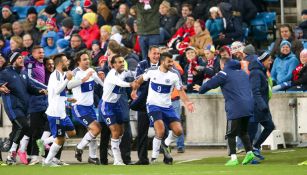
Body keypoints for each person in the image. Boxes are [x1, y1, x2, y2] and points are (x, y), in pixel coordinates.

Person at [193, 48, 255, 166]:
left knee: (230, 134)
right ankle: (249, 152)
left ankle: (233, 158)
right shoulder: (242, 73)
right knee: (243, 131)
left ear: (223, 64)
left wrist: (201, 89)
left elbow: (211, 83)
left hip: (235, 107)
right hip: (249, 106)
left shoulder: (224, 73)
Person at [131, 52, 195, 164]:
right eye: (169, 61)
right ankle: (154, 157)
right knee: (160, 130)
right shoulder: (152, 71)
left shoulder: (174, 74)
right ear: (162, 61)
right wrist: (134, 90)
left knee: (178, 130)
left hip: (167, 106)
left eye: (172, 61)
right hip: (153, 105)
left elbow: (180, 91)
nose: (171, 63)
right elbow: (141, 79)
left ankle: (166, 143)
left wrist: (188, 102)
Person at [0, 52, 47, 165]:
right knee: (24, 126)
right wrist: (1, 87)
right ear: (13, 60)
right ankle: (12, 153)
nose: (22, 59)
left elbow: (30, 87)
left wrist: (39, 91)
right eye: (19, 58)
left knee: (20, 129)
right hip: (13, 106)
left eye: (22, 57)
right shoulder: (6, 73)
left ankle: (11, 154)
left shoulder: (24, 73)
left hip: (24, 107)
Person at [98, 55, 136, 165]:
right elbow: (121, 83)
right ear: (113, 65)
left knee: (120, 132)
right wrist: (130, 84)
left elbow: (133, 74)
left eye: (122, 61)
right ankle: (117, 160)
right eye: (119, 62)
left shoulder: (124, 72)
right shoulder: (111, 75)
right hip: (107, 106)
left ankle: (114, 150)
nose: (122, 64)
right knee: (114, 131)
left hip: (116, 105)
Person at [67, 50, 104, 165]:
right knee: (96, 128)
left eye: (88, 59)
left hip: (90, 107)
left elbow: (102, 84)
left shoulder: (92, 71)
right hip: (79, 107)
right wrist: (84, 79)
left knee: (93, 131)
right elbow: (69, 85)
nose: (87, 61)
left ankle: (92, 156)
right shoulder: (75, 72)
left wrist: (103, 79)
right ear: (78, 62)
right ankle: (79, 147)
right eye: (84, 59)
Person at [43, 54, 77, 167]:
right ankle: (47, 162)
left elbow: (56, 94)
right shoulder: (55, 76)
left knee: (72, 132)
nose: (67, 63)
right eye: (66, 61)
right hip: (55, 113)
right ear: (59, 64)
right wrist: (68, 79)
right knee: (59, 138)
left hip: (62, 112)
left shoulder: (61, 75)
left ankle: (44, 142)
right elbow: (57, 90)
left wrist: (67, 99)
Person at [130, 45, 160, 165]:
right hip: (144, 102)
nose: (156, 56)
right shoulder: (142, 64)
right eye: (154, 53)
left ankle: (164, 155)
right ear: (148, 54)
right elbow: (137, 79)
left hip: (158, 103)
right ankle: (143, 159)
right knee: (142, 132)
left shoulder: (162, 64)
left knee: (162, 131)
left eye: (158, 53)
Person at [248, 51, 275, 162]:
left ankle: (255, 147)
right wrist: (262, 105)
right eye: (269, 60)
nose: (271, 62)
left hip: (261, 107)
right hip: (256, 107)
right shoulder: (256, 73)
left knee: (270, 126)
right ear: (263, 61)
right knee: (251, 134)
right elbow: (255, 91)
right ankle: (249, 156)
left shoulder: (261, 72)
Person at [24, 45, 49, 165]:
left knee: (43, 130)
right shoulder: (30, 64)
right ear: (33, 54)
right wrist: (47, 88)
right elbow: (29, 79)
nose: (42, 54)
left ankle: (42, 156)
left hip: (43, 101)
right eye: (39, 53)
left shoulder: (42, 64)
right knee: (35, 130)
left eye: (43, 52)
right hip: (34, 102)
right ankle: (32, 156)